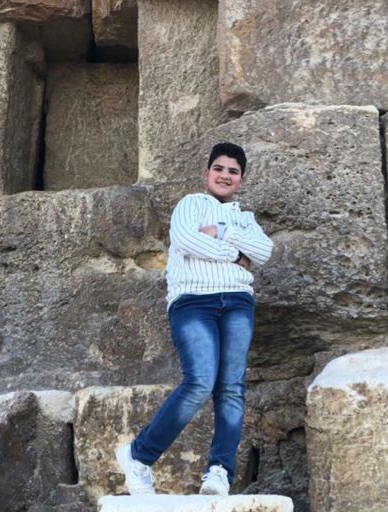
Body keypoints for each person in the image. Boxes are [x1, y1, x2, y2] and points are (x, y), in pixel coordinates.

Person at [115, 141, 273, 497]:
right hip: (193, 301)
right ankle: (138, 456)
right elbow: (187, 241)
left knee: (232, 388)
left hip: (238, 302)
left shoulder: (246, 219)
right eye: (219, 168)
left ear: (241, 180)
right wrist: (237, 255)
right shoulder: (190, 204)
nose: (225, 175)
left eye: (233, 171)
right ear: (207, 173)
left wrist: (222, 233)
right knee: (200, 381)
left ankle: (219, 472)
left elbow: (264, 251)